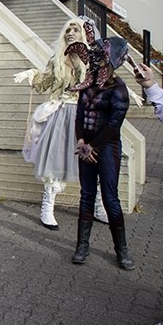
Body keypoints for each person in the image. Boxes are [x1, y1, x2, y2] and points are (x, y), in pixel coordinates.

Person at [14, 17, 109, 230]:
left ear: (84, 34)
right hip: (62, 116)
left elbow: (106, 83)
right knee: (55, 161)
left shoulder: (94, 60)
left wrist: (128, 92)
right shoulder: (57, 60)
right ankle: (47, 208)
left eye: (75, 29)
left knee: (95, 160)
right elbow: (44, 82)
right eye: (68, 29)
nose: (71, 32)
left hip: (87, 116)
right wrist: (32, 74)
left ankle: (97, 206)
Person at [69, 36, 135, 270]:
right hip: (86, 146)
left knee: (110, 198)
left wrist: (92, 147)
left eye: (100, 54)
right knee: (86, 195)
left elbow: (114, 124)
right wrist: (81, 141)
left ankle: (122, 250)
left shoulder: (118, 88)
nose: (94, 58)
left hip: (106, 148)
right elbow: (79, 117)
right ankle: (82, 246)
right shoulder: (86, 84)